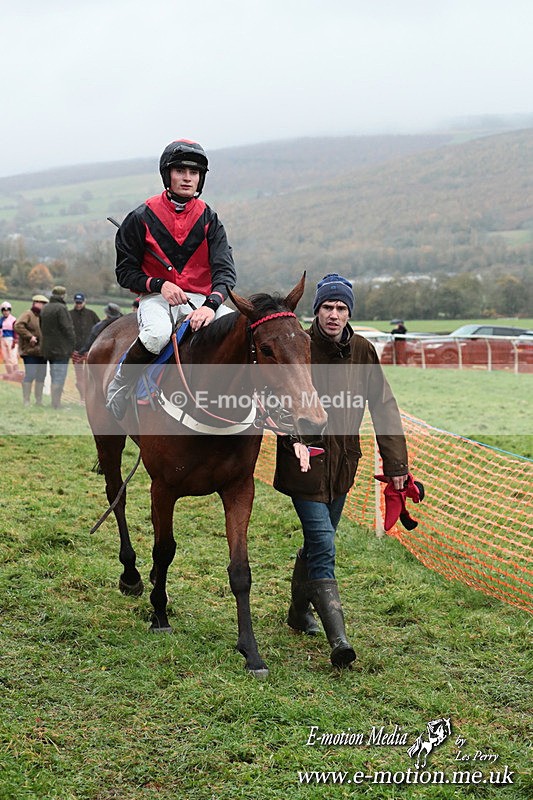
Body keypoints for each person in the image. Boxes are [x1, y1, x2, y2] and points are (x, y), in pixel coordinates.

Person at [274, 274, 409, 669]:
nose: (333, 314)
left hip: (343, 466)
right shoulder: (299, 345)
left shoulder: (363, 351)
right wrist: (292, 436)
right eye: (327, 307)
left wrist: (396, 464)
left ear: (349, 312)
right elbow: (275, 399)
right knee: (323, 544)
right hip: (304, 464)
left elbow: (383, 406)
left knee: (319, 542)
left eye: (341, 308)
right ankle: (340, 641)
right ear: (316, 311)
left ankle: (298, 613)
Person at [106, 138, 237, 420]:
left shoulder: (210, 219)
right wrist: (159, 285)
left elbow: (225, 272)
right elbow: (125, 273)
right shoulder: (140, 217)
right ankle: (121, 384)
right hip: (157, 298)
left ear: (200, 178)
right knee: (156, 335)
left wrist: (211, 306)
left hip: (202, 301)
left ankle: (262, 406)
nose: (187, 178)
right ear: (168, 175)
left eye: (194, 172)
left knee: (240, 332)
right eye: (180, 171)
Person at [39, 286, 76, 409]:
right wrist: (72, 343)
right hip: (61, 348)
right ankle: (56, 404)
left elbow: (41, 326)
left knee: (53, 375)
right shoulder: (61, 308)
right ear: (63, 295)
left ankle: (54, 402)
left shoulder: (45, 308)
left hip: (47, 348)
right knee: (59, 377)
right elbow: (67, 328)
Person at [14, 294, 49, 405]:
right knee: (30, 374)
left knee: (41, 375)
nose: (44, 306)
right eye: (42, 303)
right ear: (36, 303)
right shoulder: (28, 314)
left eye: (45, 304)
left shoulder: (44, 317)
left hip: (42, 352)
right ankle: (26, 400)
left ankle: (39, 401)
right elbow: (18, 325)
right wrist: (30, 336)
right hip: (30, 351)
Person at [69, 292, 100, 400]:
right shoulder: (69, 315)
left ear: (84, 302)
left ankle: (89, 397)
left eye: (80, 303)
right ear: (74, 302)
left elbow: (99, 329)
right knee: (79, 376)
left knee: (89, 374)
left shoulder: (91, 314)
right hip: (76, 351)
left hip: (89, 350)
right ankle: (83, 397)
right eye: (77, 302)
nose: (78, 305)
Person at [0, 301, 19, 376]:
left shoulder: (13, 319)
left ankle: (16, 373)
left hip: (11, 339)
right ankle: (10, 374)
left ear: (9, 311)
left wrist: (15, 340)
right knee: (6, 357)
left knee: (12, 357)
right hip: (3, 339)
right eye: (4, 310)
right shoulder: (1, 320)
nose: (6, 312)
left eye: (7, 310)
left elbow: (16, 330)